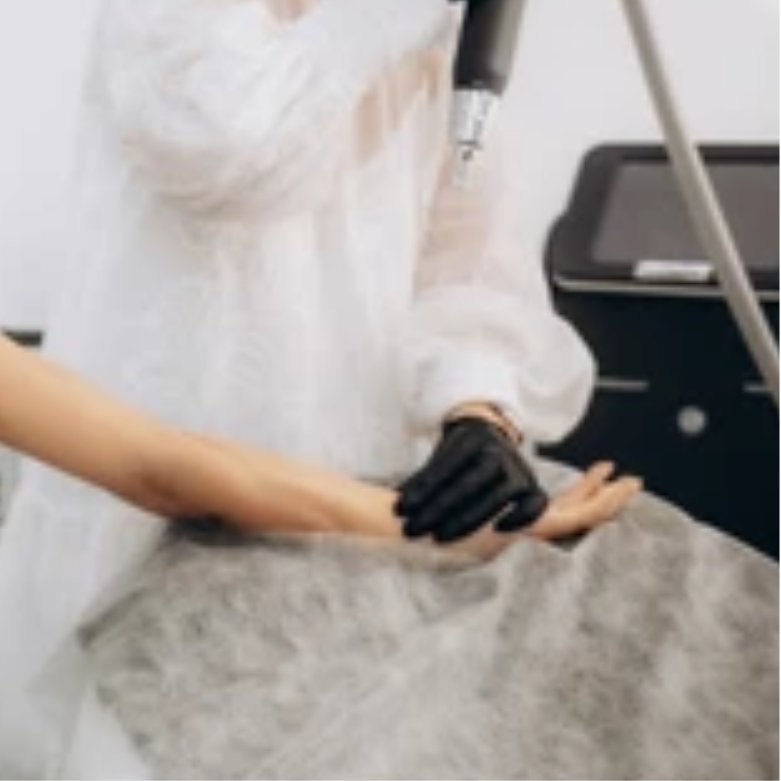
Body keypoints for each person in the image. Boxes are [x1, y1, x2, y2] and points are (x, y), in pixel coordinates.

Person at [0, 0, 649, 775]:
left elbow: (465, 258)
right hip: (146, 545)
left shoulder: (428, 38)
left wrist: (475, 411)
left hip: (350, 533)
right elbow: (229, 150)